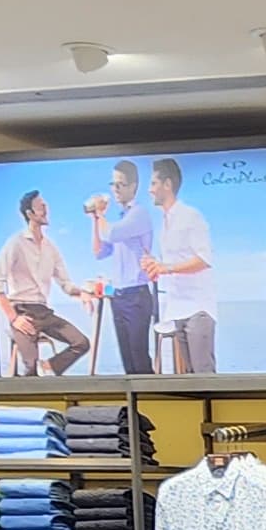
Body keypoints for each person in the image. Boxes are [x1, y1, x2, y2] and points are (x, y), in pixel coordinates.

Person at [0, 190, 91, 375]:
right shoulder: (15, 243)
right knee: (30, 368)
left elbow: (66, 285)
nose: (45, 209)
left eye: (45, 205)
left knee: (81, 343)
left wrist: (83, 292)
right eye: (41, 206)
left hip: (44, 312)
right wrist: (14, 318)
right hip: (23, 312)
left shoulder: (51, 248)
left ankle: (49, 366)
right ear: (30, 213)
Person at [81, 159, 159, 373]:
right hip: (119, 296)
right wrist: (95, 220)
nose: (115, 189)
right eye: (113, 184)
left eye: (120, 184)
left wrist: (100, 214)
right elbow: (99, 251)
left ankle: (152, 394)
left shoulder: (139, 213)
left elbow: (113, 234)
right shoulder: (120, 218)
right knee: (128, 363)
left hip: (136, 295)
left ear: (133, 186)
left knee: (139, 358)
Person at [144, 156, 218, 374]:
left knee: (203, 375)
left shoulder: (190, 217)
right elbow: (173, 263)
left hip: (198, 309)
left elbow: (203, 259)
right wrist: (155, 266)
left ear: (167, 184)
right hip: (177, 308)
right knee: (188, 377)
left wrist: (165, 267)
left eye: (153, 183)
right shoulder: (166, 222)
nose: (150, 190)